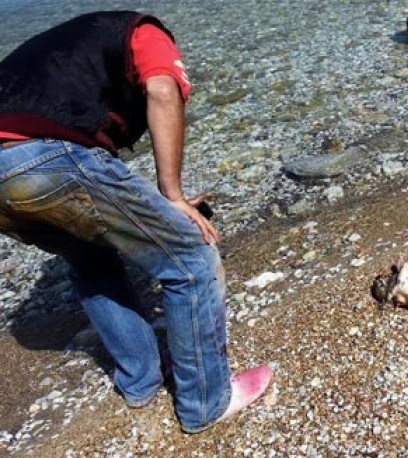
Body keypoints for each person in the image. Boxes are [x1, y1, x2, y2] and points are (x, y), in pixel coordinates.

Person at [0, 11, 272, 433]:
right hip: (41, 159)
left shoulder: (64, 56)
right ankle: (206, 402)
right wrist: (174, 196)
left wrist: (156, 206)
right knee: (191, 257)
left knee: (91, 259)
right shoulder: (146, 32)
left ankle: (140, 381)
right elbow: (163, 91)